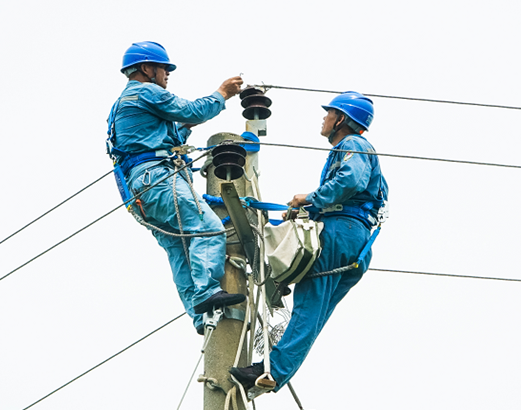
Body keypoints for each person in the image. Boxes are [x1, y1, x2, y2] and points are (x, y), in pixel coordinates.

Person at [230, 91, 389, 390]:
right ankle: (275, 373)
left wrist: (311, 199)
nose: (324, 118)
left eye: (329, 113)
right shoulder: (359, 149)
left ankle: (273, 370)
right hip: (356, 242)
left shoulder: (353, 144)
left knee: (307, 307)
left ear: (341, 119)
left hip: (340, 232)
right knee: (313, 315)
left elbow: (350, 181)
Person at [106, 41, 245, 333]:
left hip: (140, 191)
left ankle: (201, 317)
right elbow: (191, 110)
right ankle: (207, 293)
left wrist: (184, 129)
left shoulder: (124, 104)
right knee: (207, 227)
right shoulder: (145, 91)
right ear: (146, 69)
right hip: (157, 179)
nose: (167, 75)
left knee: (180, 249)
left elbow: (163, 133)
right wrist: (222, 94)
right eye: (163, 69)